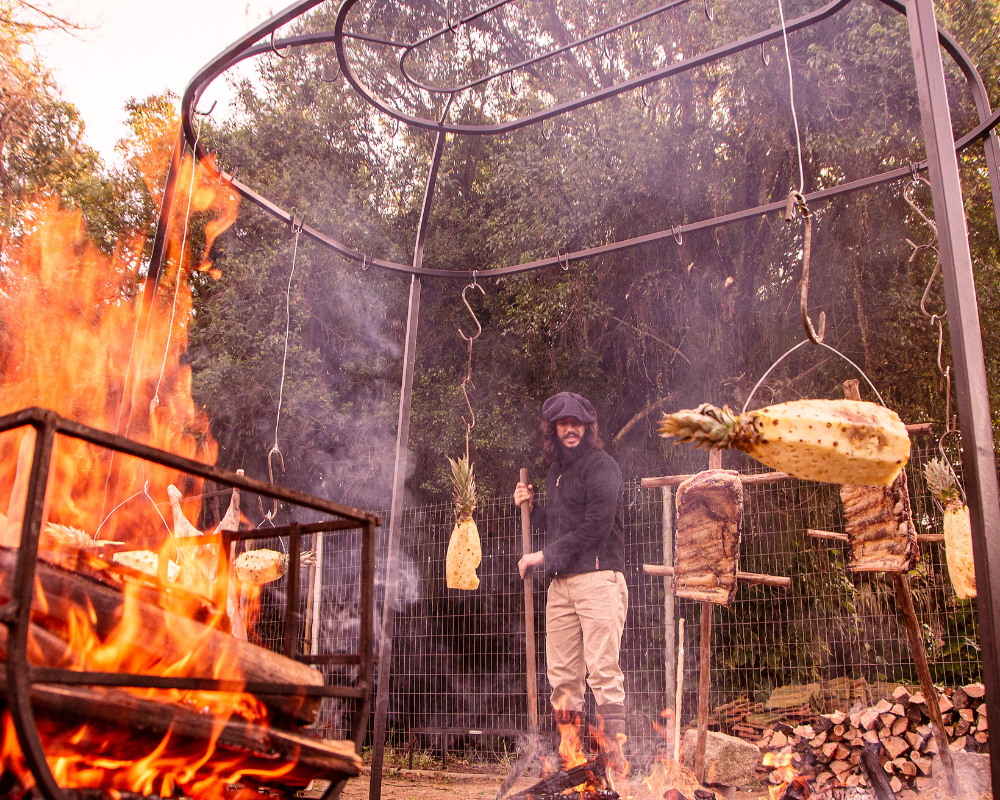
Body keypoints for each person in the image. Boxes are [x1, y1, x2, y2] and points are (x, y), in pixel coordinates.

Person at [513, 391, 628, 769]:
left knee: (603, 672)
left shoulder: (602, 466)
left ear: (588, 427)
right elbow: (562, 526)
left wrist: (542, 556)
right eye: (563, 423)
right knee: (562, 678)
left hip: (598, 578)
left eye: (577, 423)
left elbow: (595, 527)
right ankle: (572, 763)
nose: (571, 429)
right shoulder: (555, 474)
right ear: (553, 430)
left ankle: (613, 764)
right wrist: (530, 505)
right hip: (560, 584)